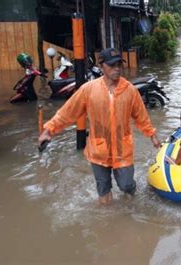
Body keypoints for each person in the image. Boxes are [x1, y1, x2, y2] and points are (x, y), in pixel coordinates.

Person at [38, 48, 161, 205]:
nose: (117, 68)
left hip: (122, 148)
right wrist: (49, 130)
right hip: (98, 149)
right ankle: (108, 222)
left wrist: (152, 135)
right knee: (103, 189)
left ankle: (131, 197)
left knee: (126, 185)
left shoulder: (130, 90)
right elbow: (68, 112)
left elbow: (141, 116)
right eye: (112, 65)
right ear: (102, 66)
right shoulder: (89, 89)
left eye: (119, 64)